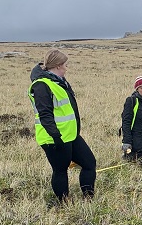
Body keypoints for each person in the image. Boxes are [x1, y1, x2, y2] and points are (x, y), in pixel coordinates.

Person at [29, 49, 96, 203]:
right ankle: (64, 203)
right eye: (65, 65)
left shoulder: (59, 81)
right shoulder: (41, 85)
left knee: (89, 163)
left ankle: (88, 198)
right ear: (58, 66)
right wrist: (56, 137)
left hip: (70, 135)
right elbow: (45, 115)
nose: (67, 68)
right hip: (54, 138)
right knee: (60, 170)